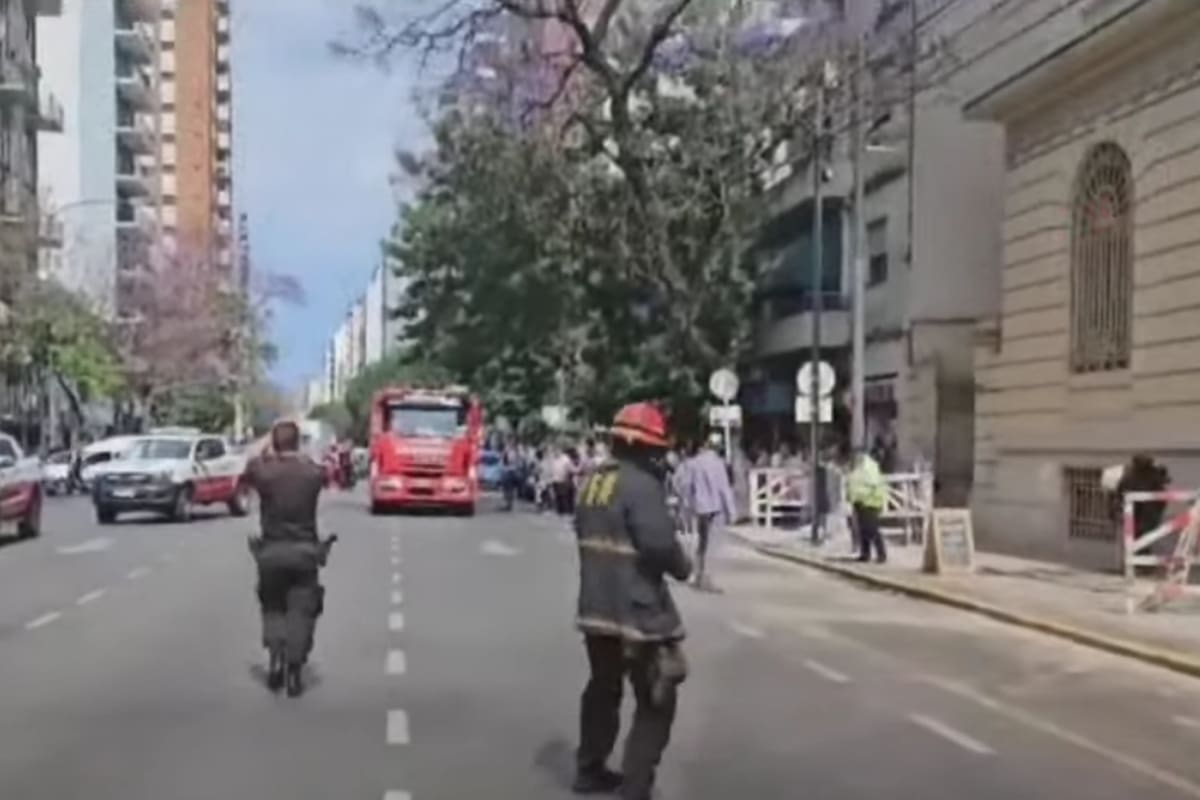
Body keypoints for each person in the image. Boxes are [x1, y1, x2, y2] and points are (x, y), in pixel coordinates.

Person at [573, 403, 691, 800]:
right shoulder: (640, 485)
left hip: (595, 608)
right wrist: (683, 567)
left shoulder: (593, 482)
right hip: (638, 612)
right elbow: (659, 545)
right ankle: (635, 786)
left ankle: (589, 768)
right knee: (657, 698)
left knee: (603, 689)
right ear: (642, 447)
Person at [245, 420, 333, 698]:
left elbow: (250, 462)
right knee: (302, 610)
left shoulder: (264, 471)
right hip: (304, 552)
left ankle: (275, 660)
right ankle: (294, 668)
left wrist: (265, 445)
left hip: (271, 551)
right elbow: (325, 470)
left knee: (272, 607)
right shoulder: (311, 473)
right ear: (299, 442)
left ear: (273, 442)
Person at [684, 434, 737, 593]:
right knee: (712, 545)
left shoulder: (695, 462)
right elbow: (724, 488)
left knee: (701, 543)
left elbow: (687, 485)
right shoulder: (718, 463)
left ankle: (696, 575)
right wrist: (732, 511)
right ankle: (707, 579)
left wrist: (688, 503)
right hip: (715, 508)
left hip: (700, 507)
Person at [846, 446, 888, 564]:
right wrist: (851, 496)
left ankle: (881, 554)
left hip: (870, 502)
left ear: (862, 455)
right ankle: (865, 554)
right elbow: (853, 482)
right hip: (860, 501)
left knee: (872, 529)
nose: (855, 457)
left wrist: (862, 496)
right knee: (863, 530)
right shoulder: (858, 467)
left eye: (857, 455)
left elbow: (872, 484)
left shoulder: (869, 466)